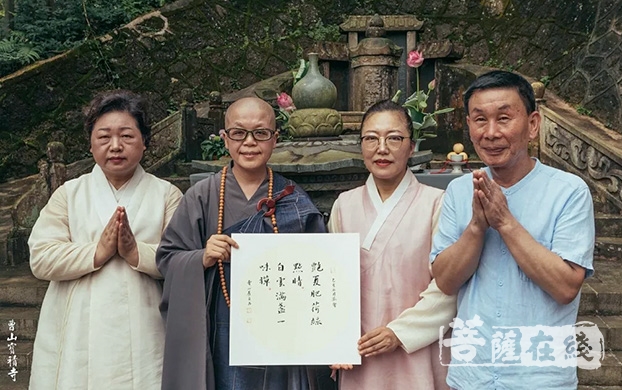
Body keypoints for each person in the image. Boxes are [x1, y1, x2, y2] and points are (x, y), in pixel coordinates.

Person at [430, 70, 595, 389]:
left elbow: (565, 287)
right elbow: (446, 281)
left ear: (533, 124)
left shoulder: (568, 192)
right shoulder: (460, 191)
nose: (491, 133)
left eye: (504, 118)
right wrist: (477, 227)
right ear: (468, 126)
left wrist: (504, 222)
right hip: (472, 374)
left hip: (540, 376)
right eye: (480, 120)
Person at [156, 96, 333, 390]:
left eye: (261, 133)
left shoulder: (293, 197)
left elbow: (321, 270)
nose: (249, 142)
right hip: (220, 325)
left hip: (279, 329)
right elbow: (167, 258)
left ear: (275, 139)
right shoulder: (203, 195)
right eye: (238, 133)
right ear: (225, 139)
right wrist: (201, 257)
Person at [28, 90, 183, 389]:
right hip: (78, 328)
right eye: (104, 137)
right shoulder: (69, 194)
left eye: (126, 136)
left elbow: (182, 258)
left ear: (145, 141)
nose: (115, 146)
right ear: (90, 143)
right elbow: (41, 257)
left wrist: (136, 252)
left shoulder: (166, 195)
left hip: (145, 325)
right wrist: (96, 253)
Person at [328, 99, 456, 389]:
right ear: (361, 146)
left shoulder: (437, 203)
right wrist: (333, 337)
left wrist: (399, 333)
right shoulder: (344, 205)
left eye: (394, 138)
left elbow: (448, 286)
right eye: (371, 138)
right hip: (362, 349)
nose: (381, 148)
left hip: (419, 347)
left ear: (411, 147)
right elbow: (332, 283)